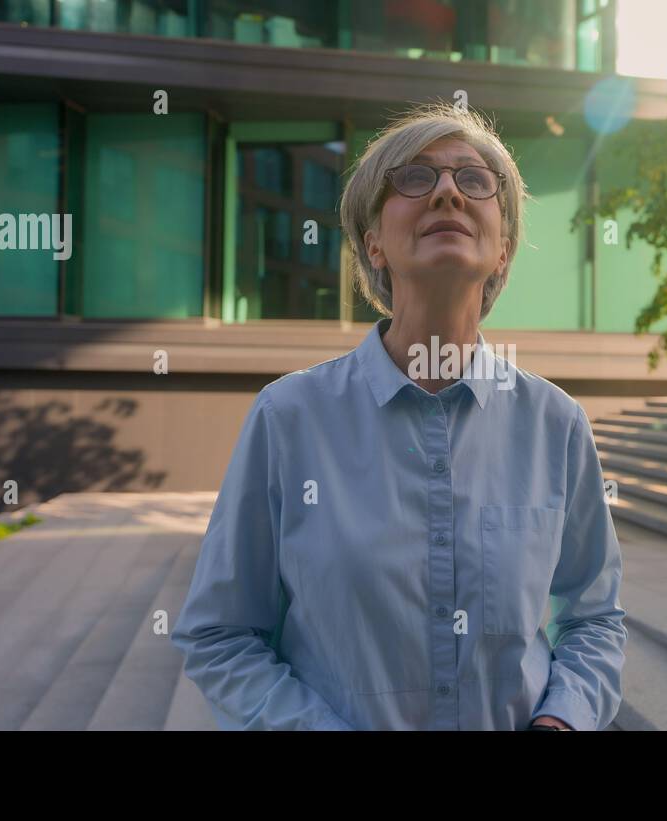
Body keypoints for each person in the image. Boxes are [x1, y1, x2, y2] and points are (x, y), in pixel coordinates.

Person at [171, 100, 627, 730]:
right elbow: (220, 635)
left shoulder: (557, 425)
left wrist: (562, 721)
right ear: (373, 244)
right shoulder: (289, 418)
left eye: (474, 181)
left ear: (503, 251)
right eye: (414, 178)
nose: (446, 192)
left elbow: (594, 618)